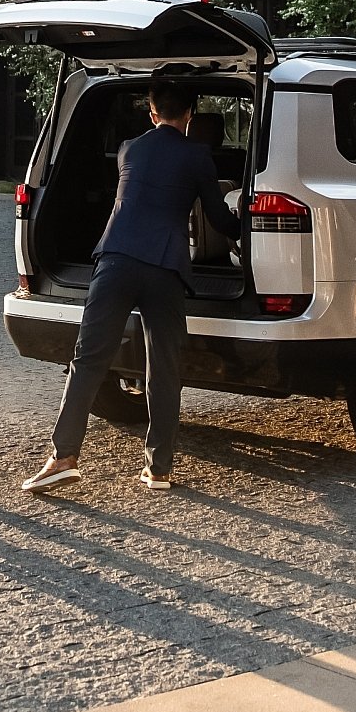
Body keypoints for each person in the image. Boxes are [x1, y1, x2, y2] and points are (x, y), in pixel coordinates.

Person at [22, 78, 237, 494]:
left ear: (152, 114)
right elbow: (218, 218)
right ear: (190, 115)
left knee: (88, 359)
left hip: (117, 259)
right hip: (166, 268)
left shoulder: (128, 149)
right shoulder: (198, 157)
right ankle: (159, 469)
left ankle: (63, 457)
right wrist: (246, 222)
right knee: (164, 365)